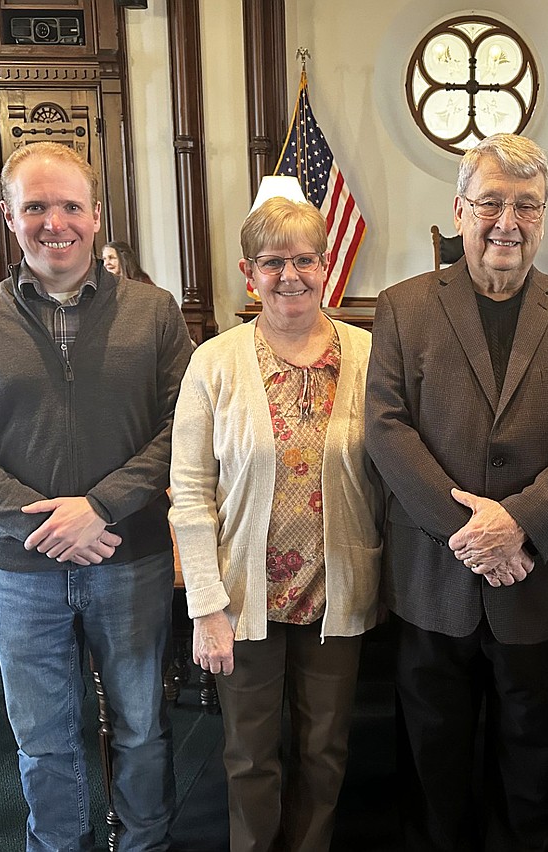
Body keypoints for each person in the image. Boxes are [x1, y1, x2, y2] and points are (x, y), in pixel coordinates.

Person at [0, 141, 194, 852]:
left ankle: (144, 845)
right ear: (7, 216)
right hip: (23, 573)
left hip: (130, 560)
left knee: (141, 728)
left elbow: (186, 430)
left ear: (96, 215)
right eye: (36, 206)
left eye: (70, 205)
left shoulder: (155, 313)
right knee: (44, 741)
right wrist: (37, 524)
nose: (55, 222)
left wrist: (100, 506)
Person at [365, 133, 548, 851]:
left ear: (543, 218)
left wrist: (519, 523)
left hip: (538, 577)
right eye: (490, 203)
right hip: (431, 576)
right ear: (460, 209)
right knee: (431, 760)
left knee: (534, 758)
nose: (506, 222)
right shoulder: (401, 307)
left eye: (525, 206)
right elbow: (386, 430)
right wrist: (471, 535)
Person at [169, 196, 382, 852]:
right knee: (250, 756)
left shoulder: (372, 356)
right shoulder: (215, 361)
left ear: (328, 265)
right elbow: (189, 492)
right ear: (247, 271)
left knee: (325, 751)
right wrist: (206, 606)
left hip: (336, 593)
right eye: (273, 262)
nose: (291, 275)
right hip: (244, 599)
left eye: (305, 259)